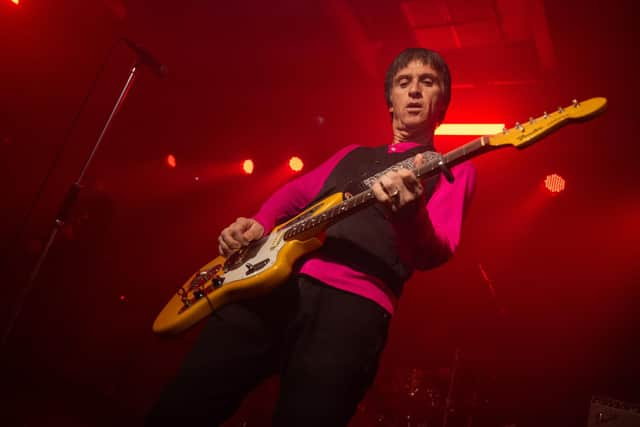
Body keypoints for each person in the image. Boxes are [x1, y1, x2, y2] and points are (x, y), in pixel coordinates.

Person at [146, 47, 476, 426]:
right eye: (404, 83)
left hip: (352, 311)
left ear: (443, 105)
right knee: (184, 403)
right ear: (390, 101)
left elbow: (435, 252)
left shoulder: (454, 169)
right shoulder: (351, 154)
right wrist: (258, 223)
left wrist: (409, 216)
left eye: (427, 82)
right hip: (269, 288)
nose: (414, 91)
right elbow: (292, 195)